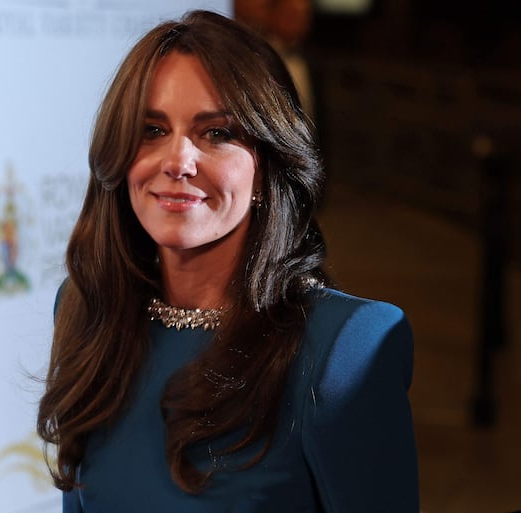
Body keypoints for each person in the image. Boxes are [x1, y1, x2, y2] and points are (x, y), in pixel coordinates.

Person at [37, 10, 418, 513]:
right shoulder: (88, 307)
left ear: (266, 165)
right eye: (151, 129)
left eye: (216, 133)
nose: (177, 161)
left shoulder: (345, 348)